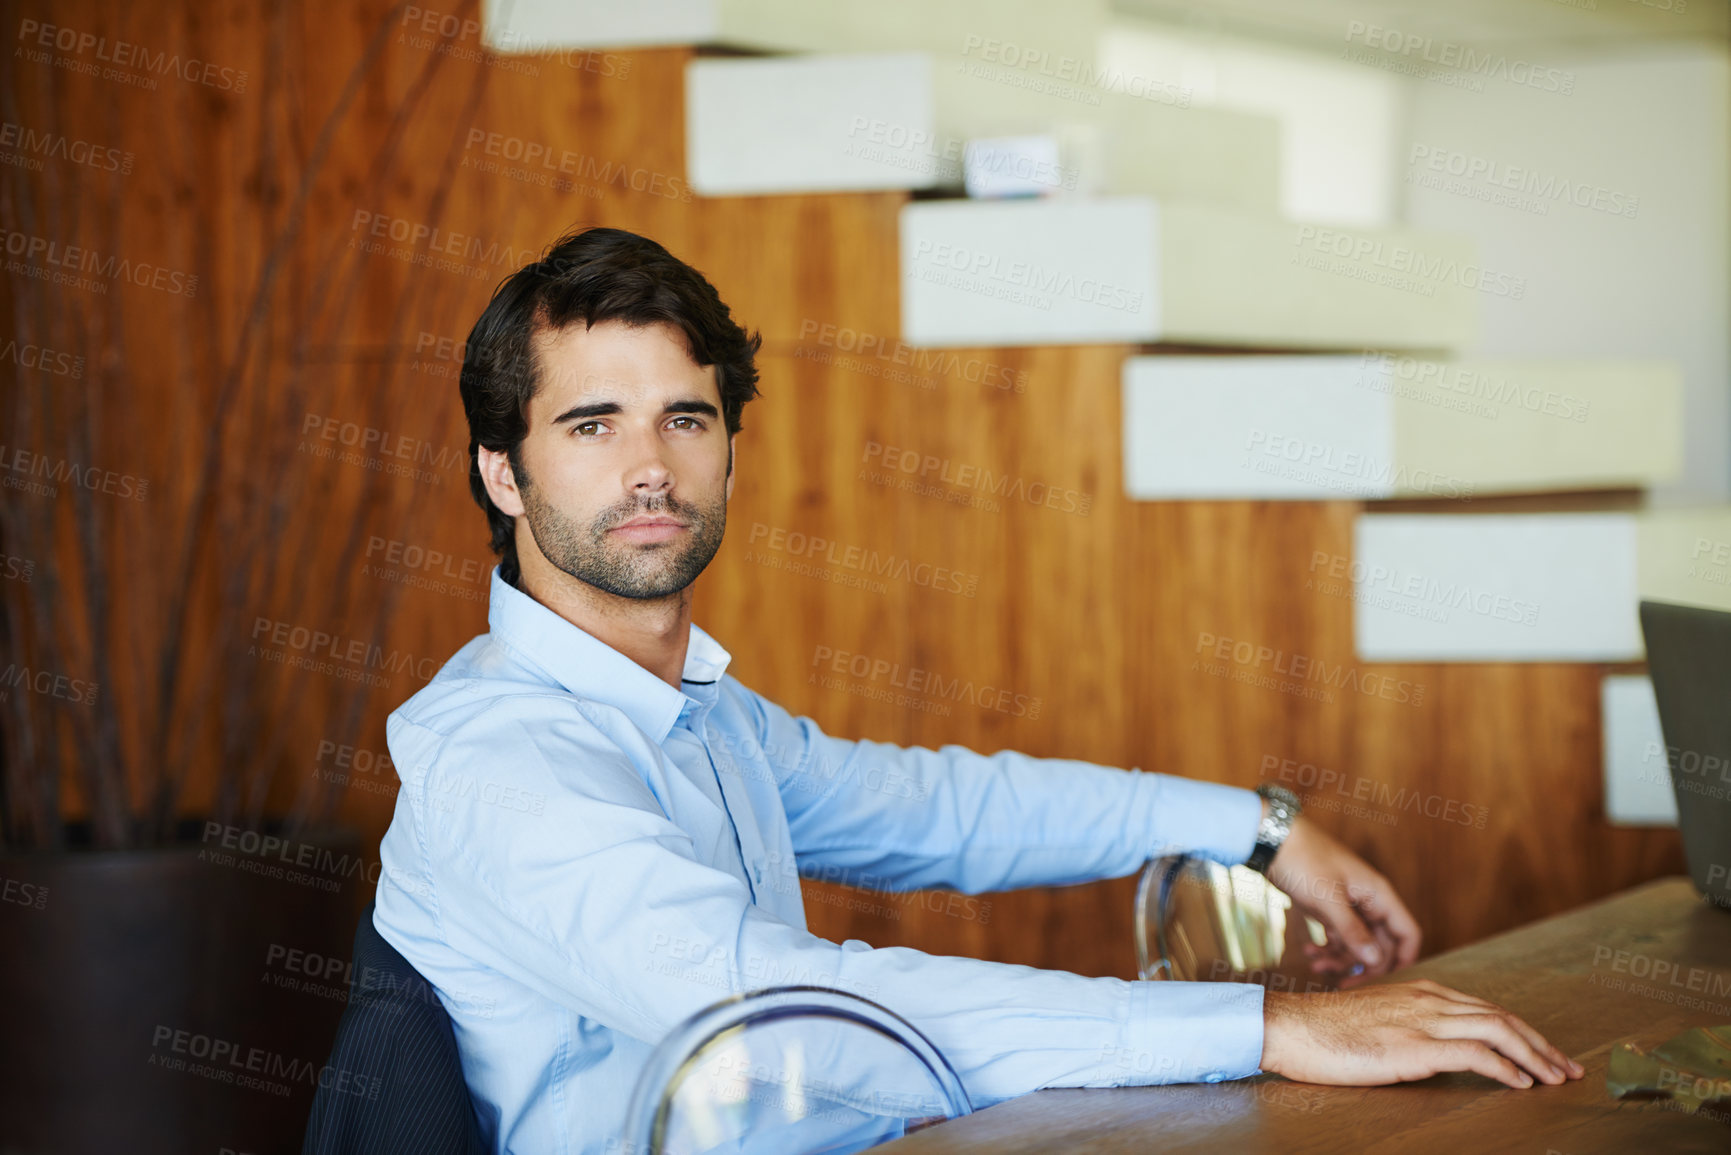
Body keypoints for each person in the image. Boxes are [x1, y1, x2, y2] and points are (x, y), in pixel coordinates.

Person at [373, 226, 1583, 1154]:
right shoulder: (498, 757)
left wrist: (1256, 830)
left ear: (728, 445)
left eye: (683, 417)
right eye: (591, 426)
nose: (648, 467)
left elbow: (942, 813)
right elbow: (790, 1010)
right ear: (504, 471)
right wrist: (1269, 1029)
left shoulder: (699, 711)